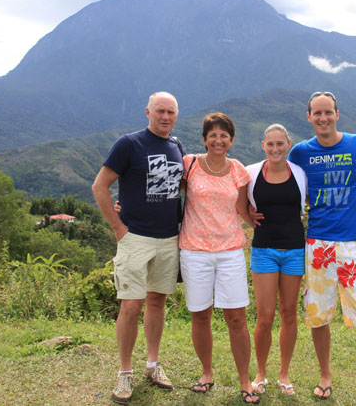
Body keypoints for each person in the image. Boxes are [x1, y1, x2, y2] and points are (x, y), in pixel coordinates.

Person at [287, 91, 356, 405]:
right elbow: (288, 187)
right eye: (317, 113)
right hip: (317, 245)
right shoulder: (300, 152)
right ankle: (325, 375)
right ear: (308, 117)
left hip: (353, 246)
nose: (323, 118)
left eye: (328, 112)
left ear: (337, 114)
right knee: (319, 316)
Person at [92, 91, 184, 404]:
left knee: (157, 302)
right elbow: (99, 185)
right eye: (160, 111)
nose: (165, 117)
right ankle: (124, 373)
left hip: (168, 238)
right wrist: (118, 228)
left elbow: (180, 186)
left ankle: (153, 365)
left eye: (170, 112)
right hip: (136, 238)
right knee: (130, 306)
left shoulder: (176, 145)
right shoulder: (129, 144)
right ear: (148, 111)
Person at [178, 112, 261, 405]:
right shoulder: (188, 165)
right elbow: (165, 193)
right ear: (203, 139)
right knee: (200, 315)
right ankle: (207, 372)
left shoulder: (237, 169)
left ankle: (244, 379)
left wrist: (266, 228)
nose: (218, 140)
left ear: (231, 140)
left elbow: (242, 207)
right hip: (194, 251)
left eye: (223, 135)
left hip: (230, 252)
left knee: (236, 317)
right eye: (212, 135)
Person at [245, 124, 308, 396]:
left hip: (295, 249)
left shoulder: (300, 173)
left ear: (288, 144)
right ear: (263, 145)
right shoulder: (251, 173)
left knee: (290, 314)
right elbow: (236, 200)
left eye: (280, 143)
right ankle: (260, 372)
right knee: (265, 317)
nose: (275, 149)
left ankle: (284, 373)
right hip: (264, 250)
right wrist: (247, 218)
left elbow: (317, 200)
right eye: (270, 144)